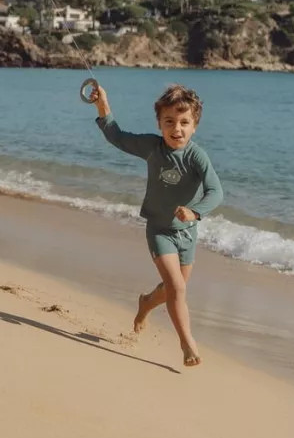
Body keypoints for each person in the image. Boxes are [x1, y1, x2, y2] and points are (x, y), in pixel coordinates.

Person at [93, 83, 223, 367]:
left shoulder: (197, 156)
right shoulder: (153, 147)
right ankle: (187, 344)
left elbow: (216, 191)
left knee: (171, 290)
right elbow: (117, 136)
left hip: (187, 234)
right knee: (177, 289)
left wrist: (195, 212)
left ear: (195, 126)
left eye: (184, 122)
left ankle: (145, 304)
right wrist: (103, 104)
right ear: (159, 123)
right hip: (159, 230)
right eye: (169, 122)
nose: (177, 129)